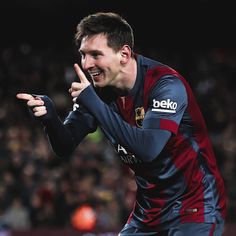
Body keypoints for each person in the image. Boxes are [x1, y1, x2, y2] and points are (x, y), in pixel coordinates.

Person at [16, 12, 227, 235]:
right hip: (149, 213)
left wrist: (93, 102)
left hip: (195, 208)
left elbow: (148, 149)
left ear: (124, 54)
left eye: (96, 55)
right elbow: (64, 145)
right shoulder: (98, 92)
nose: (87, 64)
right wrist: (50, 118)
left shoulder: (166, 85)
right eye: (83, 55)